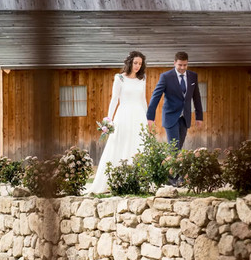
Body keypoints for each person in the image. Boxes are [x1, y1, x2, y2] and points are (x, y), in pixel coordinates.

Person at [85, 51, 148, 194]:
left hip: (138, 116)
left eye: (140, 63)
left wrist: (147, 117)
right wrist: (109, 119)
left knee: (138, 145)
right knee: (119, 144)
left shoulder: (142, 78)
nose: (137, 66)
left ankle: (138, 181)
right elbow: (114, 99)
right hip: (124, 114)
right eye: (135, 63)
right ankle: (115, 180)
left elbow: (143, 99)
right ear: (130, 62)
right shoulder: (119, 78)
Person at [146, 51, 203, 151]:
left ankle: (171, 164)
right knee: (174, 147)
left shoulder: (193, 76)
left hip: (185, 117)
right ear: (174, 63)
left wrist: (199, 117)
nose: (182, 67)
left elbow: (196, 97)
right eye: (180, 65)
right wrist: (150, 117)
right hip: (170, 116)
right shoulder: (166, 77)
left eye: (185, 65)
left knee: (179, 147)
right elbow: (155, 97)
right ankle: (171, 165)